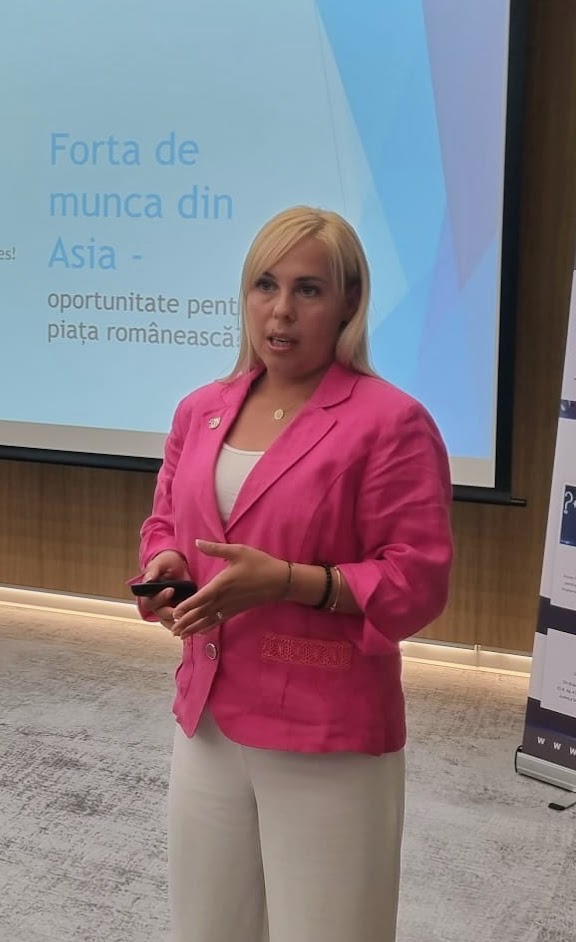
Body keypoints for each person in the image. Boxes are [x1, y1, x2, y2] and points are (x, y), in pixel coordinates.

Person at [135, 206, 453, 942]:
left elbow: (416, 583)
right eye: (265, 285)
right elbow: (165, 522)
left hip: (326, 731)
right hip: (208, 720)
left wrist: (287, 581)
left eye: (308, 290)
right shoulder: (199, 410)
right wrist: (165, 563)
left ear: (348, 301)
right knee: (207, 929)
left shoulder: (391, 423)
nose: (280, 311)